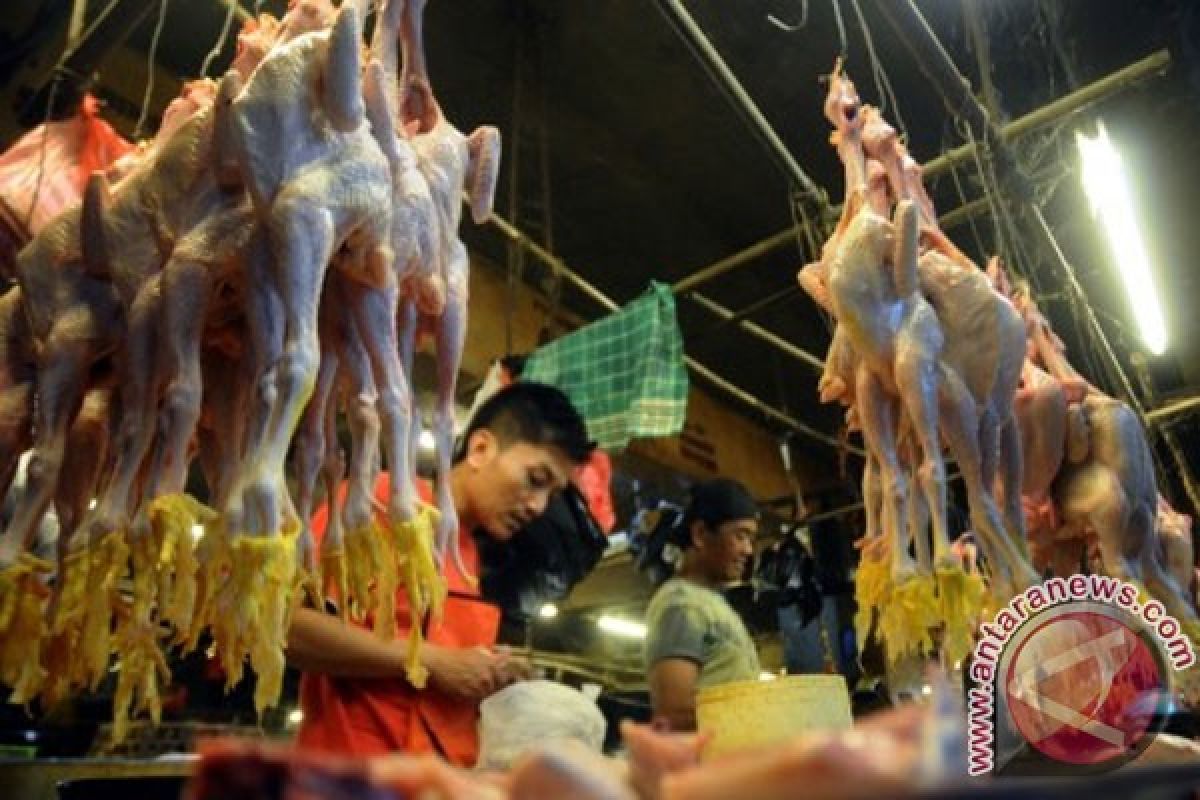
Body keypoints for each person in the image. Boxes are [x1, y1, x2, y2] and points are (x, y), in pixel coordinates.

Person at [287, 382, 595, 765]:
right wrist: (432, 662)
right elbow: (291, 628)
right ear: (481, 449)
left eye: (551, 493)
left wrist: (491, 670)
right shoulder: (382, 502)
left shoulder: (474, 558)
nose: (538, 506)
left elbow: (444, 669)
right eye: (536, 480)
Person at [644, 478, 761, 731]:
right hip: (709, 764)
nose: (748, 550)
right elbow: (673, 712)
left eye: (751, 539)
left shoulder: (710, 604)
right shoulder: (682, 605)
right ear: (700, 534)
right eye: (740, 536)